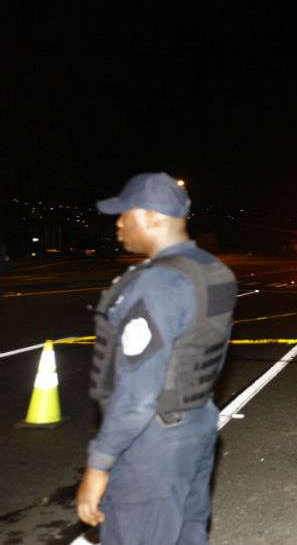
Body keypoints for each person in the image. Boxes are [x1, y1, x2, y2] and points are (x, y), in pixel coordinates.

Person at [76, 173, 236, 545]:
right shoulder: (213, 270)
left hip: (152, 444)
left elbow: (138, 394)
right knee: (186, 534)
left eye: (124, 213)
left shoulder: (156, 282)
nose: (118, 223)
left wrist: (99, 465)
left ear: (151, 217)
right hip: (196, 423)